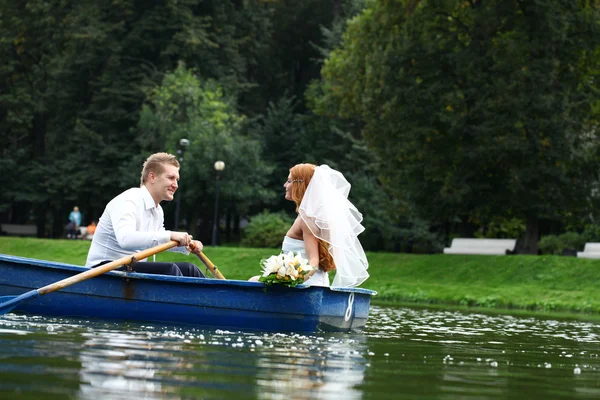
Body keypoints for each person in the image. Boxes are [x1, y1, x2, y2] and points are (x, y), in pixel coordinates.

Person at [85, 152, 205, 277]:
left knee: (190, 269)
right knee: (170, 270)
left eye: (177, 179)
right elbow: (125, 239)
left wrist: (186, 245)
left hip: (129, 267)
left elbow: (158, 241)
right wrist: (170, 234)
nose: (176, 185)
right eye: (170, 178)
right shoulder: (128, 200)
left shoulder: (157, 210)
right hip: (102, 271)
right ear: (152, 177)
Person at [251, 163, 369, 287]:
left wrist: (290, 282)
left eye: (289, 181)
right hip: (316, 281)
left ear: (300, 185)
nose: (285, 185)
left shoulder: (307, 219)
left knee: (253, 282)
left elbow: (314, 262)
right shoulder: (310, 216)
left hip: (308, 285)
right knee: (254, 281)